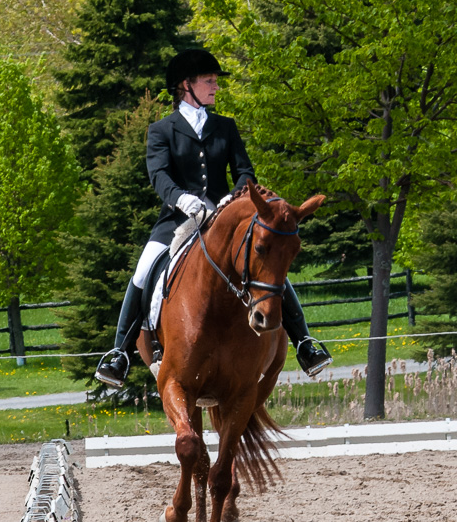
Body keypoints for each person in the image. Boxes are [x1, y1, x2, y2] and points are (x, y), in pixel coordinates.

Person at [94, 46, 332, 389]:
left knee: (269, 265)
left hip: (225, 219)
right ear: (186, 86)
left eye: (215, 81)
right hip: (177, 220)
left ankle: (305, 343)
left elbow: (244, 171)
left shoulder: (225, 127)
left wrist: (232, 198)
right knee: (145, 270)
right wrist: (183, 199)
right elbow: (159, 176)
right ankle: (119, 354)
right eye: (209, 80)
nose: (216, 87)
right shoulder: (162, 130)